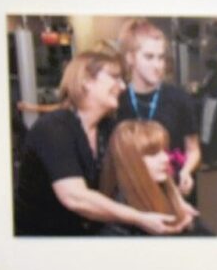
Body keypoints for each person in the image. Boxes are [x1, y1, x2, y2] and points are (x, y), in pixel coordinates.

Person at [14, 51, 187, 237]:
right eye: (114, 77)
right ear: (86, 82)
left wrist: (179, 203)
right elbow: (74, 197)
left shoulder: (109, 127)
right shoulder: (54, 128)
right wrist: (140, 218)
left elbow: (143, 165)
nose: (122, 86)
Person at [112, 20, 203, 206]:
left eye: (161, 57)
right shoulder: (116, 101)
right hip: (132, 195)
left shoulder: (179, 99)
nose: (158, 65)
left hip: (174, 192)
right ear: (130, 58)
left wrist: (186, 170)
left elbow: (193, 149)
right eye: (149, 57)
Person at [99, 120, 212, 236]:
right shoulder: (117, 225)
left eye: (164, 151)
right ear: (130, 162)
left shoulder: (168, 193)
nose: (166, 159)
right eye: (153, 154)